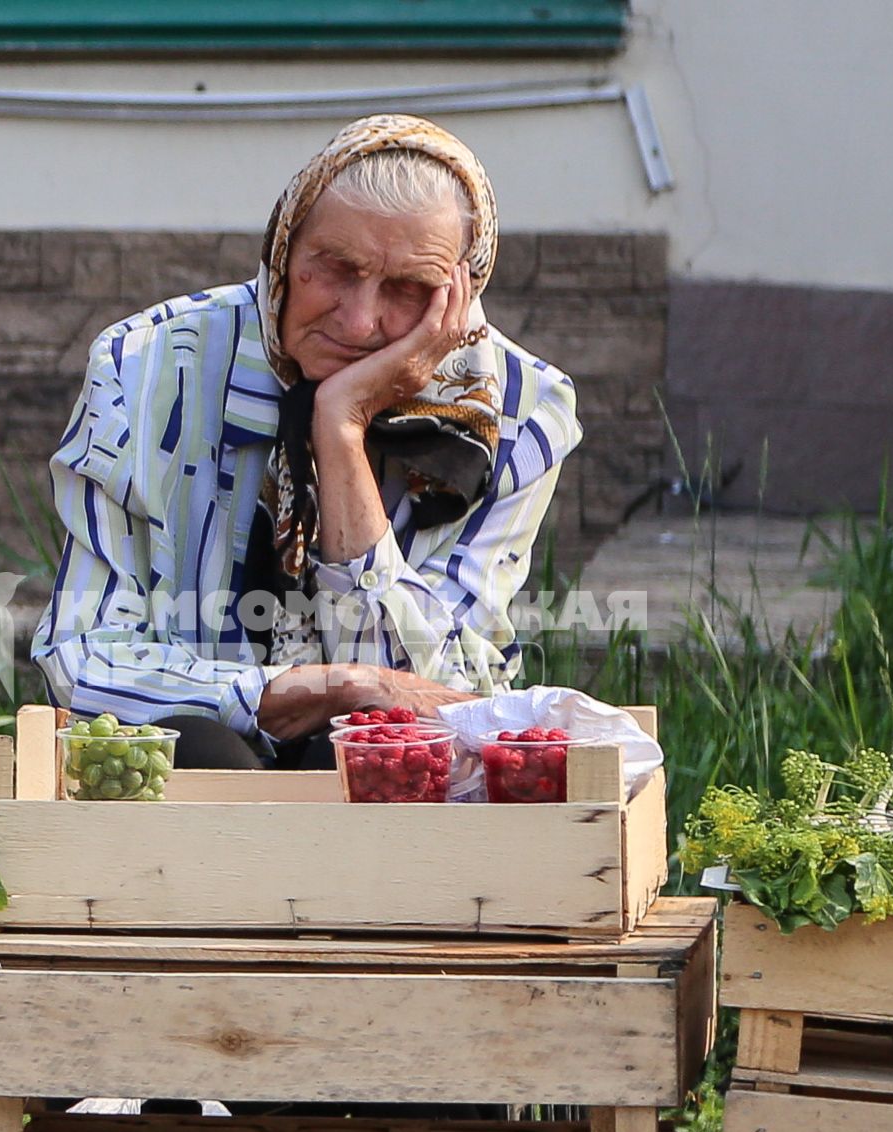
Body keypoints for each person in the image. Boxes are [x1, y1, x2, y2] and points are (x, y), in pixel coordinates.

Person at [33, 114, 583, 768]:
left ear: (460, 293)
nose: (359, 320)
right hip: (192, 781)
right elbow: (82, 654)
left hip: (388, 809)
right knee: (201, 748)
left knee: (367, 753)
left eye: (408, 289)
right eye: (335, 268)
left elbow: (449, 696)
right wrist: (290, 692)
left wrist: (341, 430)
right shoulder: (146, 365)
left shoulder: (519, 412)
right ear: (284, 250)